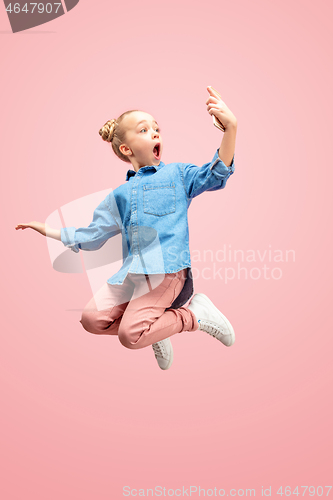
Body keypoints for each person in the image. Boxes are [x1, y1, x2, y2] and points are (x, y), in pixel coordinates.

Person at [15, 86, 238, 371]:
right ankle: (156, 327)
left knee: (129, 336)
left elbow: (216, 174)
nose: (155, 133)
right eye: (144, 130)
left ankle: (194, 314)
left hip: (166, 271)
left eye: (156, 128)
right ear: (126, 148)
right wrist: (47, 229)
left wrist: (230, 129)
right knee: (91, 320)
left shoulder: (179, 175)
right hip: (132, 274)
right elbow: (92, 235)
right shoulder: (119, 195)